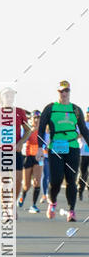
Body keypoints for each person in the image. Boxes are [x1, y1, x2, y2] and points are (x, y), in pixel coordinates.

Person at [38, 80, 89, 222]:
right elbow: (41, 129)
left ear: (70, 92)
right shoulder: (50, 108)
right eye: (62, 91)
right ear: (57, 92)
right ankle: (52, 201)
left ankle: (71, 210)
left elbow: (84, 130)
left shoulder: (76, 109)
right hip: (56, 148)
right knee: (56, 180)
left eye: (67, 91)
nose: (64, 93)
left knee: (71, 180)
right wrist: (40, 148)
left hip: (72, 148)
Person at [18, 110, 44, 213]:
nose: (37, 120)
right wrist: (31, 131)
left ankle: (33, 205)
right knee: (26, 185)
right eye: (35, 118)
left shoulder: (44, 130)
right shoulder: (27, 129)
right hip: (27, 157)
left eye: (39, 118)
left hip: (39, 157)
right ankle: (22, 195)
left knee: (37, 181)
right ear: (31, 119)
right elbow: (22, 140)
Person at [78, 107, 89, 201]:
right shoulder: (82, 124)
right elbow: (76, 135)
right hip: (83, 153)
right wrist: (83, 134)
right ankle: (80, 190)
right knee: (83, 173)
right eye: (88, 113)